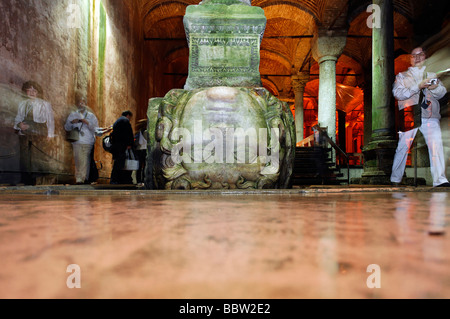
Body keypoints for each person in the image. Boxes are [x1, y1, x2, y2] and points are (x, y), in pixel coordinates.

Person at [391, 47, 450, 187]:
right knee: (402, 148)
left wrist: (434, 87)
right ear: (410, 59)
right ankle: (395, 179)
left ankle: (440, 180)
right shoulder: (402, 76)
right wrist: (418, 86)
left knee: (436, 147)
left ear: (425, 57)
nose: (417, 58)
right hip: (409, 118)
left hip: (430, 116)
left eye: (420, 55)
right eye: (414, 55)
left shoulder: (432, 74)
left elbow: (442, 93)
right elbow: (398, 94)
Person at [14, 81, 55, 185]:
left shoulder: (45, 104)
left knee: (36, 157)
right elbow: (18, 118)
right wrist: (19, 125)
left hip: (38, 132)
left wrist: (50, 134)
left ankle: (36, 180)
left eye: (34, 90)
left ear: (38, 92)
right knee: (24, 157)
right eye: (29, 90)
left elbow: (50, 120)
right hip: (24, 134)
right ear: (25, 91)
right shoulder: (22, 104)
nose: (32, 92)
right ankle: (25, 179)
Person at [64, 92, 99, 185]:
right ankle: (82, 178)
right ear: (77, 104)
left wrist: (87, 122)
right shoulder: (73, 115)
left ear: (85, 104)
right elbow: (67, 127)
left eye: (83, 102)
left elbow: (96, 129)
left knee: (84, 160)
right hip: (77, 141)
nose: (81, 104)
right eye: (79, 103)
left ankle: (81, 178)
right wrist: (71, 122)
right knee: (78, 160)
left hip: (88, 141)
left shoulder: (91, 116)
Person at [110, 110, 134, 184]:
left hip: (116, 146)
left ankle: (115, 179)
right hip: (122, 146)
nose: (130, 119)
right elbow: (128, 133)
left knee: (117, 162)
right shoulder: (125, 121)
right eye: (130, 117)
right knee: (121, 163)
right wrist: (130, 143)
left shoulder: (117, 122)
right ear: (128, 115)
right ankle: (120, 180)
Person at [134, 119, 148, 187]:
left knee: (138, 167)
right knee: (145, 166)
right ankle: (144, 180)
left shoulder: (137, 132)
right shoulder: (146, 132)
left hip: (138, 150)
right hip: (145, 149)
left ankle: (138, 181)